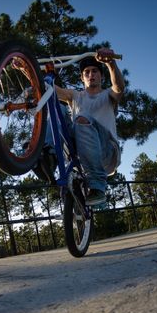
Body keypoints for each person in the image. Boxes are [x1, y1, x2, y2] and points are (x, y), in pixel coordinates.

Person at [55, 47, 125, 206]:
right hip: (80, 153)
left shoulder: (108, 95)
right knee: (54, 108)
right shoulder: (74, 96)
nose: (91, 75)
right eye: (87, 72)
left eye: (95, 71)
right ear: (82, 78)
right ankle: (47, 156)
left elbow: (119, 88)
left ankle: (97, 186)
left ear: (101, 75)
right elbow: (49, 90)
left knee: (82, 118)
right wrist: (28, 70)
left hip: (106, 152)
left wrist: (111, 63)